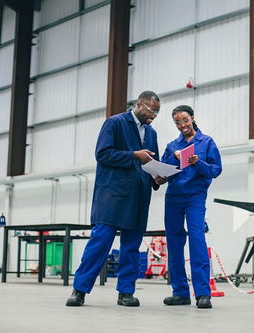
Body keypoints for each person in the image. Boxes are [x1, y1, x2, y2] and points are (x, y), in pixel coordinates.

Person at [66, 91, 163, 307]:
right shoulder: (114, 123)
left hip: (138, 196)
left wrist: (158, 177)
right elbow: (103, 154)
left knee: (131, 246)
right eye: (151, 111)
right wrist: (133, 155)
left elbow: (151, 163)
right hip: (112, 194)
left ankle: (126, 292)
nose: (153, 116)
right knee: (100, 242)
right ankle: (79, 290)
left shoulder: (152, 133)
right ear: (139, 104)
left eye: (157, 112)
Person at [157, 105, 222, 309]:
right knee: (174, 243)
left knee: (197, 240)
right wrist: (159, 177)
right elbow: (164, 171)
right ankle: (180, 292)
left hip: (195, 197)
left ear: (192, 118)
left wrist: (197, 163)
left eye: (185, 120)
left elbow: (215, 170)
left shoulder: (206, 142)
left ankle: (203, 294)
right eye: (177, 122)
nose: (182, 125)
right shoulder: (171, 146)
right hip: (174, 197)